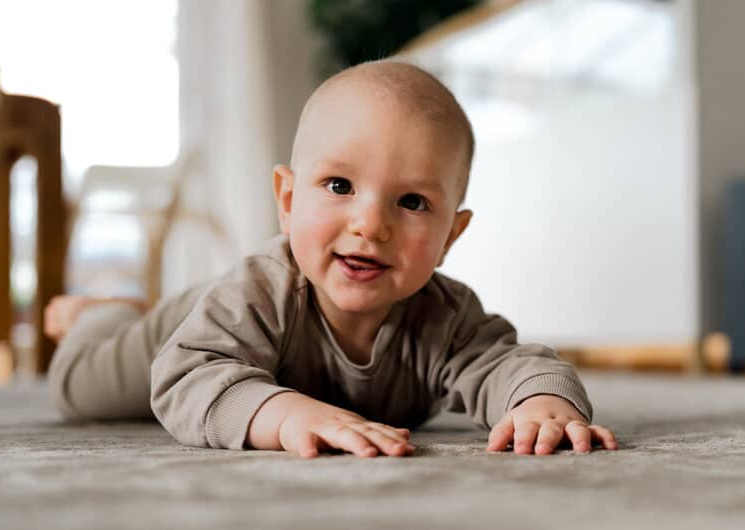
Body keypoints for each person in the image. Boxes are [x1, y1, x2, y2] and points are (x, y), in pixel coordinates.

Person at [45, 60, 618, 459]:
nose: (371, 223)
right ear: (289, 202)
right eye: (340, 185)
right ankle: (97, 314)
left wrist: (542, 404)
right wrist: (289, 415)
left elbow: (508, 363)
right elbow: (187, 378)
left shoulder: (446, 318)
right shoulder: (257, 291)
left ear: (451, 234)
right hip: (184, 330)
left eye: (412, 201)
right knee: (82, 392)